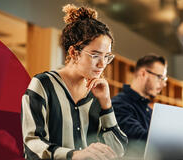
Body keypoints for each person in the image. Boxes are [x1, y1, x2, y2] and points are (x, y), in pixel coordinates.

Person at [21, 4, 127, 160]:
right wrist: (74, 155)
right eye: (95, 55)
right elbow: (32, 146)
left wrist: (106, 104)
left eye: (106, 57)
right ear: (74, 53)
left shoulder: (97, 92)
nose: (102, 64)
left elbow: (118, 151)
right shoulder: (43, 85)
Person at [112, 55, 168, 158]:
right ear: (143, 74)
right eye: (160, 77)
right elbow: (138, 139)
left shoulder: (148, 110)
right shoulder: (119, 104)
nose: (164, 84)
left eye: (164, 79)